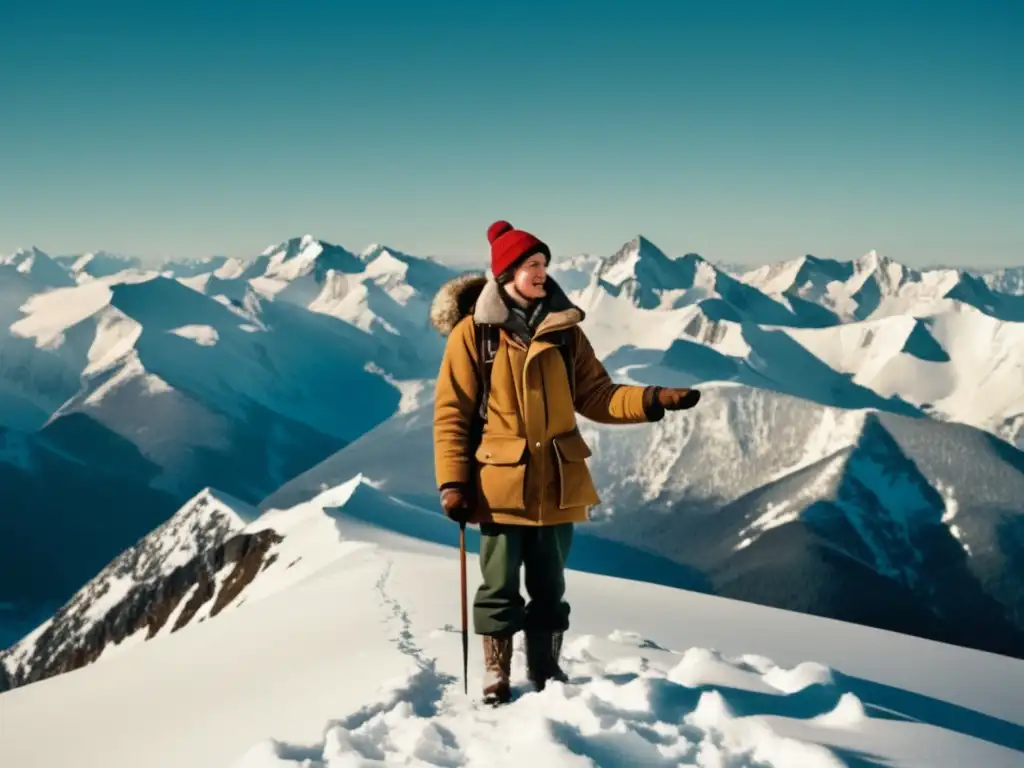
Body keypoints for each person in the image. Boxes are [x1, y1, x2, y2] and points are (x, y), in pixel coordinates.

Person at [430, 219, 700, 704]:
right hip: (500, 485)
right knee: (498, 586)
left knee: (550, 586)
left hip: (557, 480)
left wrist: (655, 398)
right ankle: (497, 673)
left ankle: (545, 666)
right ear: (507, 273)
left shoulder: (565, 331)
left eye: (544, 264)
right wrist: (453, 482)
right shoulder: (474, 336)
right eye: (532, 265)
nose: (542, 273)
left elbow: (597, 394)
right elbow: (452, 415)